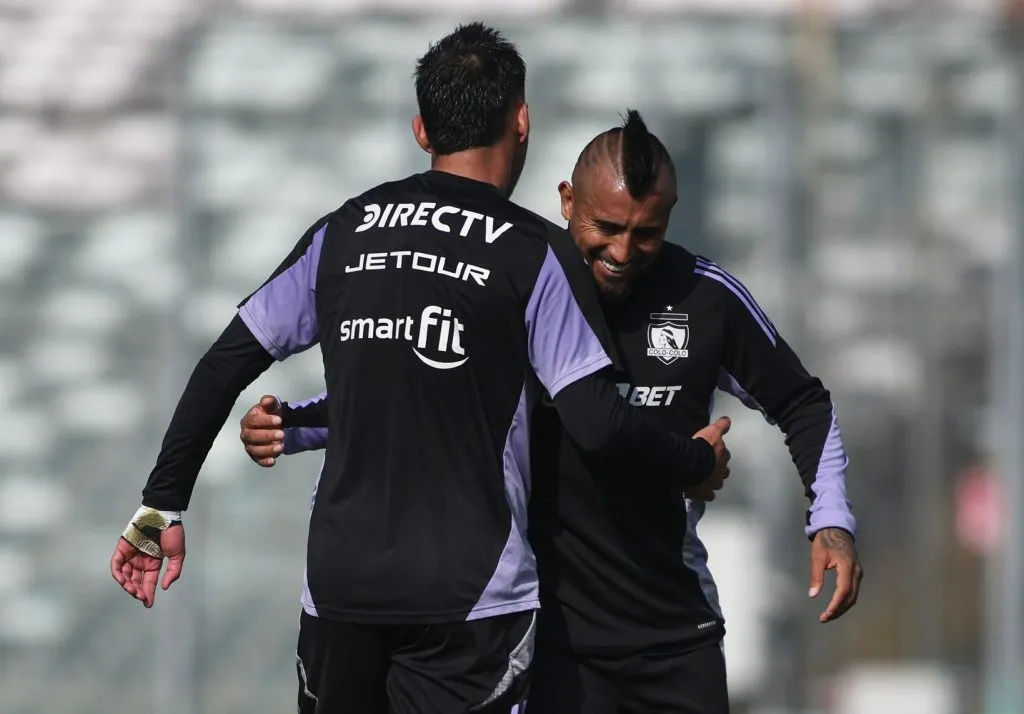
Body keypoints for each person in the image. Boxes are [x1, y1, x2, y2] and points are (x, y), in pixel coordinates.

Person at [108, 24, 732, 714]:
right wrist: (691, 461)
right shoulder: (536, 253)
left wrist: (162, 503)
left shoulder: (345, 231)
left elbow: (225, 363)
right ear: (522, 122)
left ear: (421, 130)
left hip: (342, 589)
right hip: (470, 599)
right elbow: (597, 423)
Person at [241, 110, 863, 714]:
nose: (623, 250)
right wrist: (292, 427)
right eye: (606, 227)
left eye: (646, 232)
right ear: (567, 201)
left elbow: (802, 401)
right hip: (549, 644)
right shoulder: (517, 279)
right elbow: (416, 394)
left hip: (676, 636)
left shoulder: (706, 297)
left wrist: (830, 521)